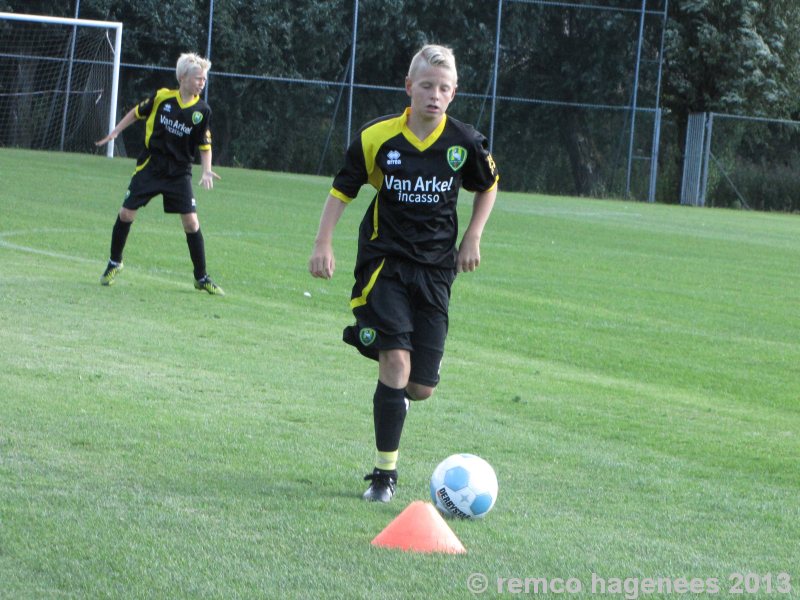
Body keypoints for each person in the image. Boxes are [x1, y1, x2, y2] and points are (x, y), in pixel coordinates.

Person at [308, 44, 499, 502]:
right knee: (397, 362)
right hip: (384, 261)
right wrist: (323, 242)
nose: (434, 95)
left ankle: (367, 337)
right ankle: (384, 476)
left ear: (454, 94)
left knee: (421, 386)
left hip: (435, 270)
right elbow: (342, 190)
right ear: (409, 87)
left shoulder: (464, 142)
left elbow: (489, 185)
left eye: (444, 88)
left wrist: (473, 236)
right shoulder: (378, 137)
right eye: (427, 86)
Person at [96, 52, 224, 295]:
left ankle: (201, 277)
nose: (202, 83)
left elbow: (204, 144)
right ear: (183, 78)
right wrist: (116, 131)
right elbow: (136, 112)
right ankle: (114, 262)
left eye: (204, 80)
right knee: (126, 213)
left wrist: (207, 170)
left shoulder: (202, 110)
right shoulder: (162, 98)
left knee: (191, 222)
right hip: (151, 167)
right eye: (198, 78)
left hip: (179, 173)